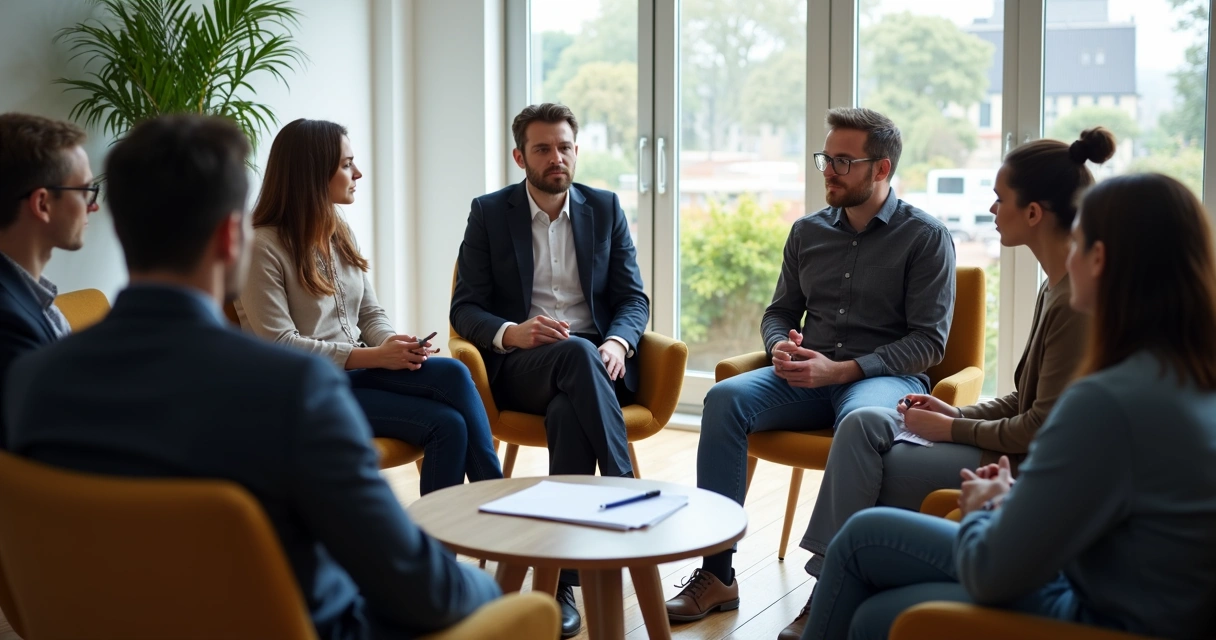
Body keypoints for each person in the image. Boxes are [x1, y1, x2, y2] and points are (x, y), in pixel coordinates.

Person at [4, 114, 502, 639]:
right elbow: (418, 588)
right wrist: (494, 594)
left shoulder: (32, 380)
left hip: (106, 623)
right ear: (230, 239)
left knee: (445, 389)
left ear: (122, 226)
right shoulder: (295, 391)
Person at [801, 172, 1216, 640]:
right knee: (867, 567)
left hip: (1104, 612)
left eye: (1077, 242)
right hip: (1140, 596)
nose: (1068, 254)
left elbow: (994, 571)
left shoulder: (1108, 400)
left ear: (1098, 259)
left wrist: (984, 507)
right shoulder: (1187, 376)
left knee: (870, 579)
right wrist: (1000, 484)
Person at [777, 129, 1116, 638]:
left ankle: (829, 594)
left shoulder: (1074, 300)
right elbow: (1025, 400)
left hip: (1024, 464)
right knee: (867, 424)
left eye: (1001, 199)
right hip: (1009, 448)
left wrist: (951, 432)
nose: (991, 208)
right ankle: (840, 592)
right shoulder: (1055, 285)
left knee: (868, 469)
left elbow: (1041, 427)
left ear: (1034, 212)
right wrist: (954, 412)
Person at [666, 107, 956, 623]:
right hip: (806, 375)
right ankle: (717, 575)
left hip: (881, 379)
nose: (828, 169)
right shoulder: (807, 232)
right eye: (826, 157)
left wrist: (844, 371)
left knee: (860, 423)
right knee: (725, 400)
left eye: (844, 160)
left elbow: (929, 342)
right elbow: (779, 312)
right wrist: (779, 344)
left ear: (882, 168)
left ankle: (831, 589)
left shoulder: (926, 237)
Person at [450, 102, 649, 638]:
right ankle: (627, 490)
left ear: (577, 150)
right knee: (571, 360)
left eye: (564, 146)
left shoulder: (605, 208)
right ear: (520, 157)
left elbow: (633, 298)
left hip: (595, 362)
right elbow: (464, 307)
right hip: (523, 363)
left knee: (569, 409)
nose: (556, 157)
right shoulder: (490, 213)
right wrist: (512, 333)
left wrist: (617, 342)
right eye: (542, 148)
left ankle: (557, 576)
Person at [235, 118, 502, 495]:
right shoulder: (261, 246)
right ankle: (483, 516)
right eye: (346, 164)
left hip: (354, 374)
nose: (357, 173)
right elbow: (279, 344)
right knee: (447, 425)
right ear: (312, 172)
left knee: (454, 374)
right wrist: (376, 357)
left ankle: (491, 506)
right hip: (303, 392)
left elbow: (369, 314)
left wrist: (397, 346)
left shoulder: (339, 232)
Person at [0, 113, 97, 447]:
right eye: (85, 190)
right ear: (42, 203)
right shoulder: (9, 324)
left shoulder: (28, 296)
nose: (93, 206)